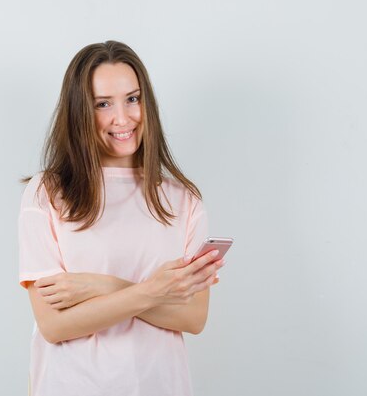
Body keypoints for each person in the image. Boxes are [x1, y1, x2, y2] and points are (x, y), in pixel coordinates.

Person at [17, 40, 224, 396]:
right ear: (79, 112)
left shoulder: (183, 201)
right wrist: (154, 294)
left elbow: (193, 318)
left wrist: (104, 286)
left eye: (133, 98)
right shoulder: (47, 193)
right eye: (103, 104)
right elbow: (53, 325)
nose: (123, 118)